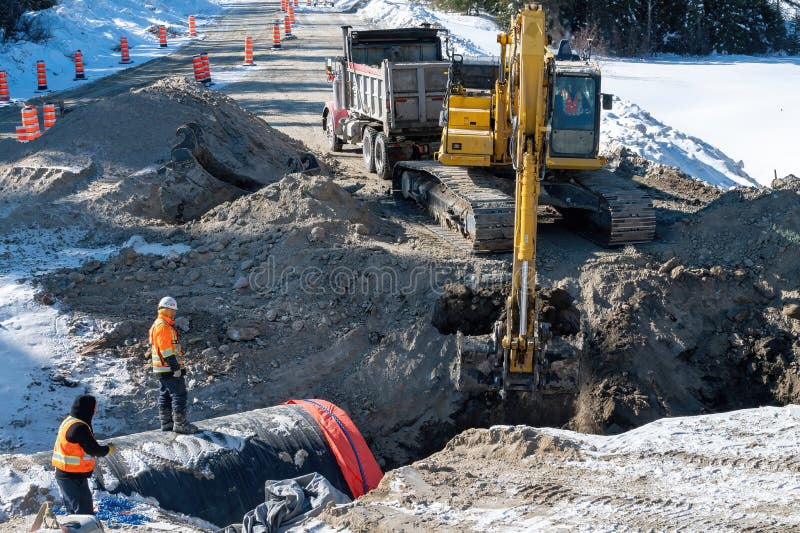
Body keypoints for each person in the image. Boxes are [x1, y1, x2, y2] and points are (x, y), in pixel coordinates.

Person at [52, 394, 115, 515]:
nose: (94, 412)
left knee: (75, 512)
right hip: (72, 476)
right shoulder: (79, 427)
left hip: (67, 474)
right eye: (94, 409)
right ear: (89, 409)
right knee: (84, 514)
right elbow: (93, 449)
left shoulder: (69, 421)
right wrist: (108, 449)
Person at [149, 296, 198, 434]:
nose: (174, 313)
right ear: (166, 310)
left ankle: (167, 424)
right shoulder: (162, 326)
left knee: (165, 394)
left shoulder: (159, 324)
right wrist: (175, 368)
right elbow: (166, 350)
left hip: (162, 368)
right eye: (173, 310)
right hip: (168, 368)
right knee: (179, 394)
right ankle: (180, 424)